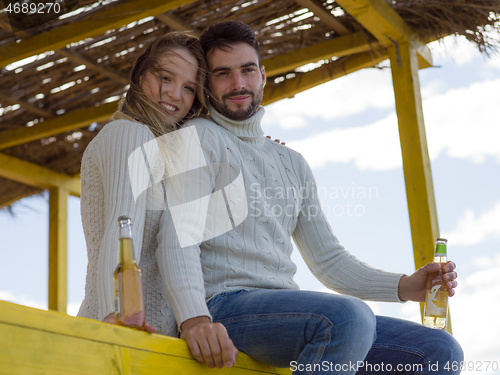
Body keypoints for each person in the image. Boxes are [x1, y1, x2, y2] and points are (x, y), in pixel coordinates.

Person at [158, 20, 464, 374]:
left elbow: (329, 261)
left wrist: (405, 286)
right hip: (223, 307)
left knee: (438, 349)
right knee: (347, 318)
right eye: (223, 74)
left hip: (285, 313)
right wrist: (194, 320)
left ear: (263, 75)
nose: (238, 83)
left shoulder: (292, 162)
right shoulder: (196, 138)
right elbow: (177, 238)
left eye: (247, 70)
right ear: (207, 85)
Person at [77, 32, 209, 336]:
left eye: (189, 88)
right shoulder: (130, 133)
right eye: (165, 78)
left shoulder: (165, 151)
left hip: (151, 335)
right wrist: (120, 313)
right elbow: (123, 227)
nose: (176, 94)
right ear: (140, 74)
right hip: (124, 332)